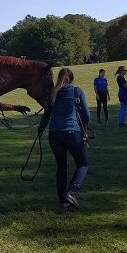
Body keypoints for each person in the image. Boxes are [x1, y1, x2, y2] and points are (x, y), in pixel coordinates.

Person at [37, 68, 90, 211]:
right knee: (83, 164)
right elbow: (86, 115)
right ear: (71, 79)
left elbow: (46, 116)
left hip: (54, 134)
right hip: (72, 132)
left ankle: (63, 200)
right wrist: (85, 125)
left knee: (61, 167)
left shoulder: (52, 94)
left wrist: (40, 130)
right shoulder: (76, 91)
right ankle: (71, 193)